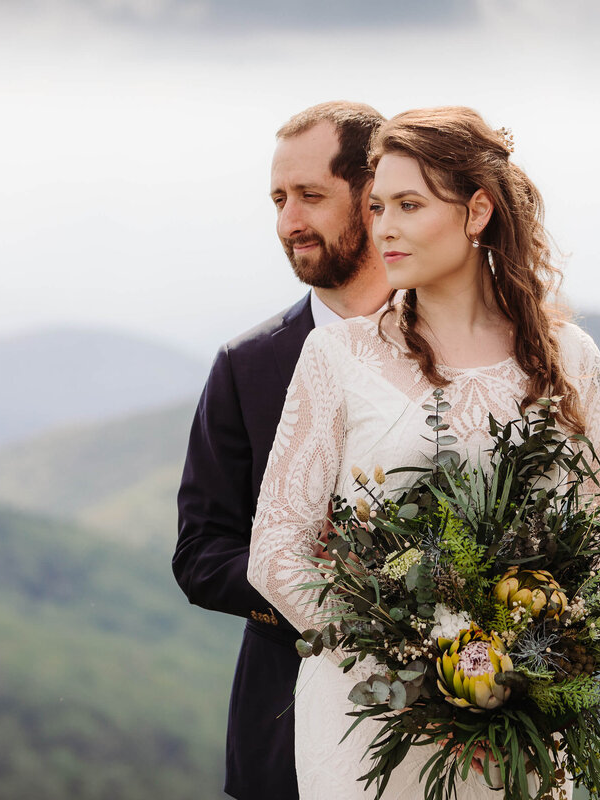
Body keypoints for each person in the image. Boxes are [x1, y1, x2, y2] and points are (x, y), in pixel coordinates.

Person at [248, 106, 600, 799]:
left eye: (409, 205)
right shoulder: (337, 355)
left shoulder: (571, 359)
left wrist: (534, 680)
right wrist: (416, 673)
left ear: (477, 211)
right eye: (377, 206)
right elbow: (276, 549)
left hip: (521, 730)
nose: (383, 226)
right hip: (373, 728)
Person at [172, 101, 389, 799]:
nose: (289, 221)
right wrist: (318, 596)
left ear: (373, 197)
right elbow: (201, 553)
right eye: (278, 199)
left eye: (312, 197)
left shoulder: (453, 348)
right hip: (284, 732)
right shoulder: (246, 365)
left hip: (440, 730)